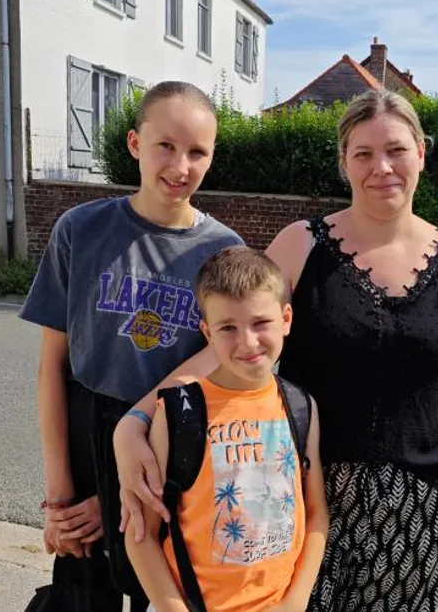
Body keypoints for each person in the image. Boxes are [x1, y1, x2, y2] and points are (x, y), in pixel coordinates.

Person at [114, 88, 438, 611]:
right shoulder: (302, 244)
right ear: (344, 162)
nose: (381, 167)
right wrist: (135, 420)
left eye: (396, 151)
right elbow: (231, 345)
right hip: (303, 497)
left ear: (421, 154)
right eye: (363, 153)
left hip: (426, 504)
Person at [18, 80, 243, 611]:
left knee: (161, 594)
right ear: (134, 144)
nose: (180, 165)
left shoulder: (224, 253)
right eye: (165, 145)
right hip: (86, 430)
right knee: (85, 595)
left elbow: (214, 383)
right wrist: (61, 497)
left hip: (172, 442)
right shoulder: (81, 229)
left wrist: (121, 494)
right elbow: (54, 366)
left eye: (197, 152)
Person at [125, 245, 328, 612]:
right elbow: (142, 536)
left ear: (286, 318)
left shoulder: (300, 407)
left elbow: (316, 515)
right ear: (207, 331)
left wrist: (295, 602)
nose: (248, 342)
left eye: (260, 323)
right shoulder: (178, 413)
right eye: (228, 328)